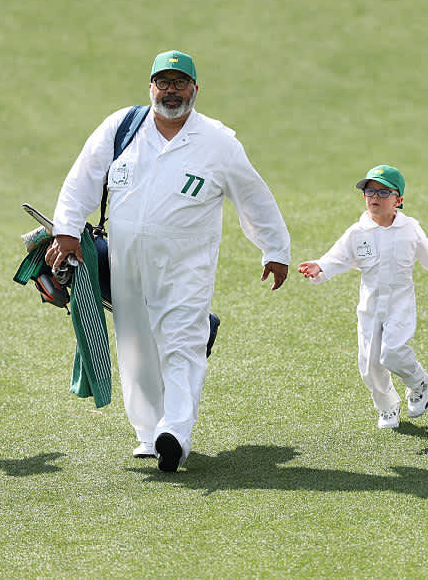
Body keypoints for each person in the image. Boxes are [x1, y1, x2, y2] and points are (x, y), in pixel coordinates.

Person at [47, 50, 290, 472]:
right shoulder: (121, 127)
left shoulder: (218, 142)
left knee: (182, 342)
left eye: (180, 82)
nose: (171, 90)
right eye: (164, 82)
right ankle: (147, 433)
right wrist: (66, 229)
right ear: (151, 87)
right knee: (136, 346)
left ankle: (175, 432)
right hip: (126, 261)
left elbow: (253, 197)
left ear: (196, 89)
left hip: (186, 266)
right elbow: (82, 177)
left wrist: (275, 249)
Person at [298, 165, 428, 430]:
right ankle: (387, 408)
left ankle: (419, 382)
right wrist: (320, 266)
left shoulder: (409, 228)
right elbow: (337, 257)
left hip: (400, 303)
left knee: (393, 353)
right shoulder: (357, 232)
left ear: (399, 200)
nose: (374, 197)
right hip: (370, 306)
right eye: (369, 191)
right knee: (370, 366)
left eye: (383, 192)